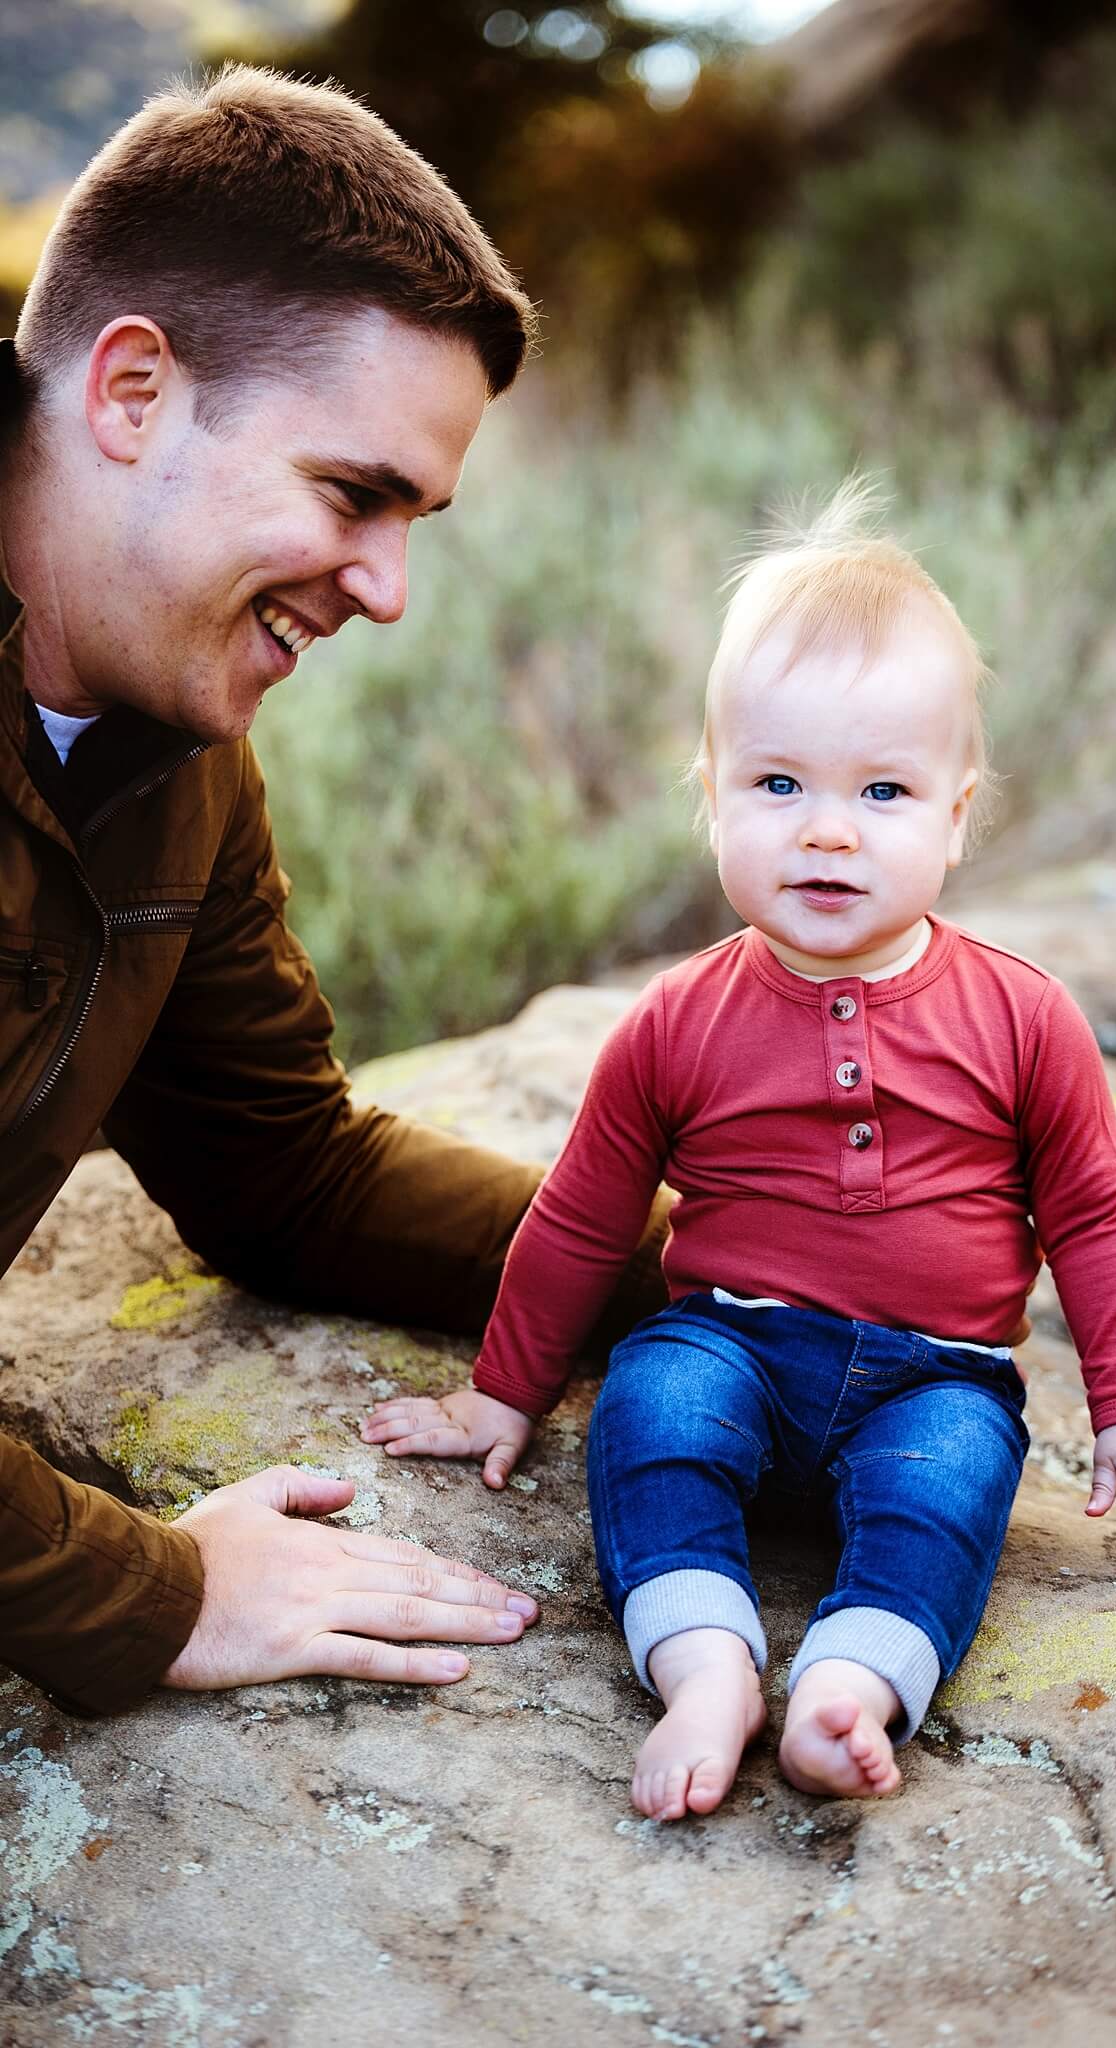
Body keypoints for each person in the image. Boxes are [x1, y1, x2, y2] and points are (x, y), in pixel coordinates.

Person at [362, 483, 1116, 1819]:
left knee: (950, 1490)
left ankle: (851, 1685)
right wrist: (502, 1394)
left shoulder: (1022, 1017)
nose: (827, 827)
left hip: (939, 1373)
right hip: (733, 1340)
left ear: (956, 811)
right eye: (778, 783)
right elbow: (582, 1218)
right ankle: (705, 1667)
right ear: (710, 797)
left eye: (882, 788)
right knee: (648, 1417)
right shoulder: (674, 1022)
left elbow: (1099, 1216)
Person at [0, 65, 670, 1718]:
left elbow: (283, 1171)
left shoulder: (174, 754)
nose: (386, 590)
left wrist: (727, 1261)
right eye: (353, 495)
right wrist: (153, 1590)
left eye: (417, 518)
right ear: (134, 390)